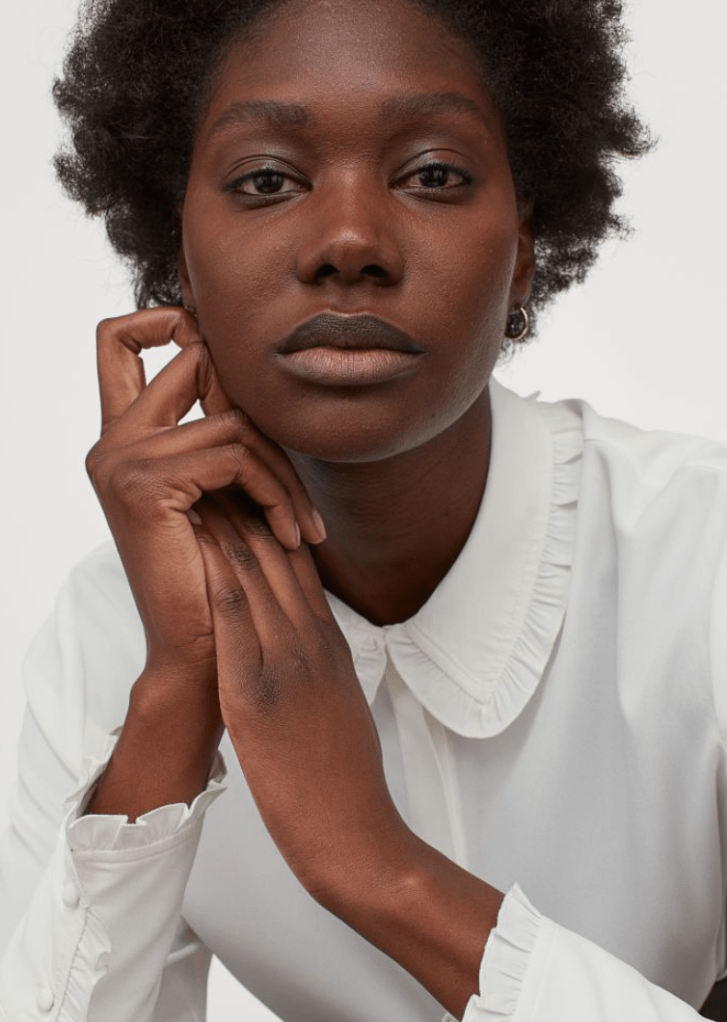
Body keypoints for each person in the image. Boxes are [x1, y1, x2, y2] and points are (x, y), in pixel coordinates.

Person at [1, 0, 726, 1019]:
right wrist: (173, 700)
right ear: (180, 255)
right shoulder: (113, 634)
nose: (348, 241)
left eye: (432, 174)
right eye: (266, 180)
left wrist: (375, 865)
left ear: (523, 245)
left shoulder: (700, 558)